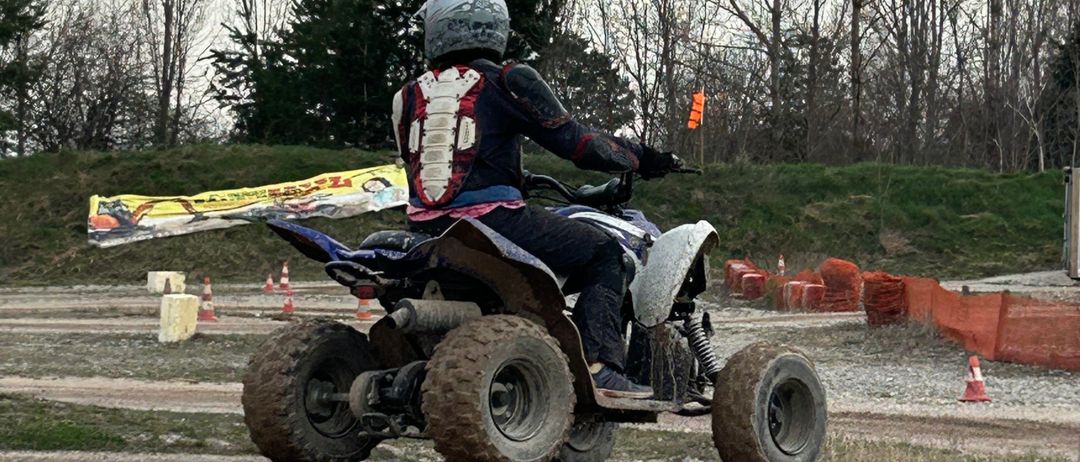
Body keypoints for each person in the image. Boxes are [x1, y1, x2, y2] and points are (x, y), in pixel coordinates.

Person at [394, 0, 678, 399]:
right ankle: (600, 367)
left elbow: (428, 163)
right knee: (604, 253)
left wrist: (516, 178)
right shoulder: (508, 79)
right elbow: (579, 144)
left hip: (426, 226)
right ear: (493, 25)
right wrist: (645, 158)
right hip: (492, 221)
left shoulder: (407, 95)